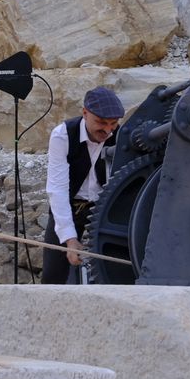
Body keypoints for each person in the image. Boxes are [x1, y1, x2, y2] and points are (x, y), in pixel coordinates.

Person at [40, 86, 122, 284]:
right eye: (101, 122)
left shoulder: (121, 136)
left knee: (114, 270)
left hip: (104, 208)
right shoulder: (63, 135)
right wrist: (69, 238)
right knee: (54, 274)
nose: (108, 130)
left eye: (113, 123)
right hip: (70, 205)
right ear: (85, 113)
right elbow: (57, 189)